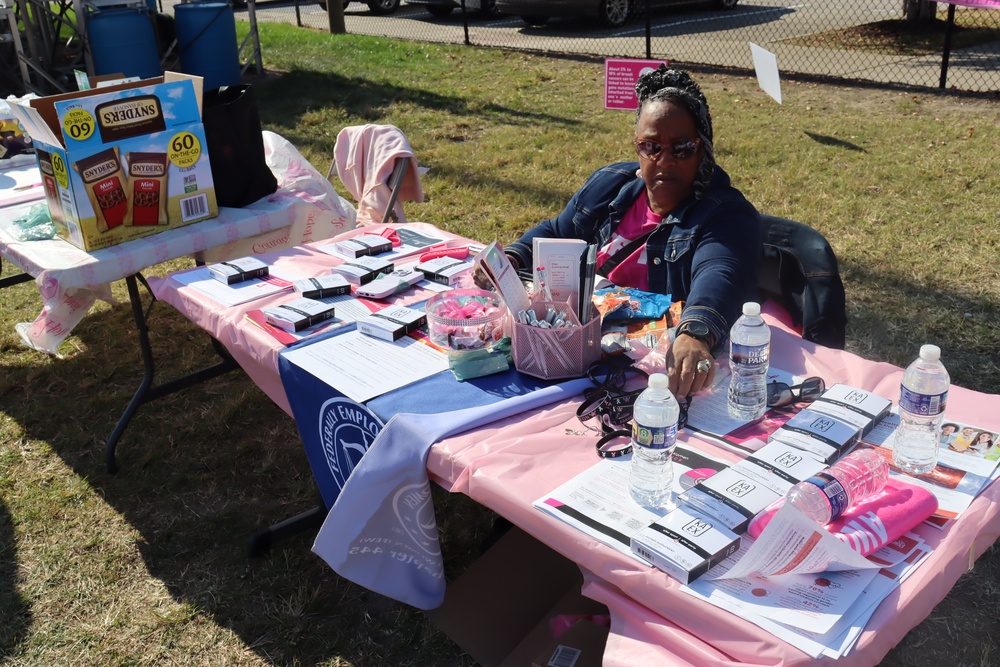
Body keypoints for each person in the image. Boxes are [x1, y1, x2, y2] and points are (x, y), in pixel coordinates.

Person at [504, 66, 761, 397]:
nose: (665, 160)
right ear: (637, 148)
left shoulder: (726, 213)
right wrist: (513, 256)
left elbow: (719, 273)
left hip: (648, 375)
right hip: (569, 351)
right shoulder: (609, 185)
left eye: (681, 147)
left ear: (702, 149)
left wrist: (695, 334)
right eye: (651, 147)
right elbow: (558, 230)